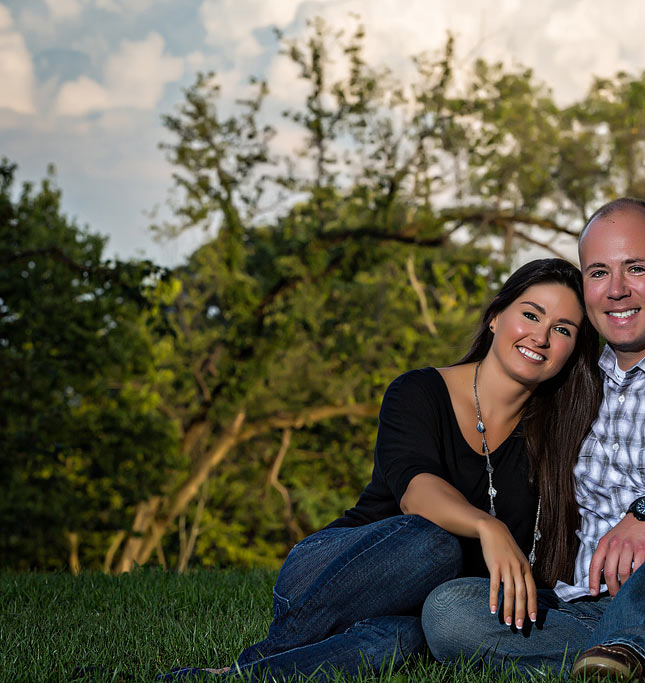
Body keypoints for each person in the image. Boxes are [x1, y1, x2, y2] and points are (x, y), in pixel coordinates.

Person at [163, 258, 602, 680]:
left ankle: (244, 677)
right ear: (495, 318)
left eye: (562, 329)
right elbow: (416, 490)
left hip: (417, 605)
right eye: (530, 314)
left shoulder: (559, 434)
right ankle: (266, 654)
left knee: (406, 639)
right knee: (434, 543)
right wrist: (488, 528)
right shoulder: (418, 391)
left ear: (572, 350)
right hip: (333, 572)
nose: (540, 337)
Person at [423, 198, 645, 682]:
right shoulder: (581, 385)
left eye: (635, 268)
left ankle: (637, 653)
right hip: (594, 606)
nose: (616, 290)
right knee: (448, 611)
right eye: (598, 273)